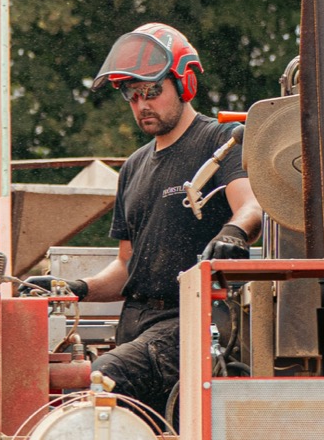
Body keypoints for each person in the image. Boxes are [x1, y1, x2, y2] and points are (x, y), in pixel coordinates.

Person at [57, 23, 261, 419]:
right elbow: (125, 267)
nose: (141, 105)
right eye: (132, 96)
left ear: (185, 83)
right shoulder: (133, 167)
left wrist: (234, 233)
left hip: (190, 323)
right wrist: (72, 288)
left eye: (152, 92)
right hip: (135, 326)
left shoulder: (220, 142)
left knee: (98, 380)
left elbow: (251, 207)